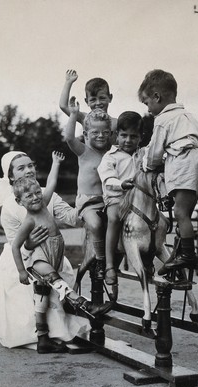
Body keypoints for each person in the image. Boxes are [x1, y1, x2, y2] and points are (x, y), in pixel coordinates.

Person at [0, 151, 97, 351]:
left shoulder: (43, 194)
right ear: (10, 176)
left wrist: (84, 207)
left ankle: (54, 332)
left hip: (52, 254)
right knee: (38, 292)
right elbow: (14, 243)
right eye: (21, 168)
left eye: (30, 165)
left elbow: (71, 217)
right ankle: (42, 333)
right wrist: (28, 245)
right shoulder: (11, 206)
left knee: (48, 291)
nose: (28, 170)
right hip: (26, 260)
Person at [11, 152, 110, 353]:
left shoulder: (45, 203)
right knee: (54, 279)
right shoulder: (29, 220)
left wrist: (56, 163)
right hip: (39, 258)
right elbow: (15, 246)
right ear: (19, 201)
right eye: (29, 196)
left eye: (37, 193)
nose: (35, 198)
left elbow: (52, 182)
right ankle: (84, 304)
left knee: (42, 296)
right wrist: (22, 271)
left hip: (54, 254)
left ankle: (43, 339)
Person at [138, 69, 198, 271]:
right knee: (186, 213)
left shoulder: (162, 120)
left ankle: (188, 256)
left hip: (185, 164)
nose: (148, 109)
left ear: (157, 97)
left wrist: (147, 165)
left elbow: (155, 152)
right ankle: (180, 251)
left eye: (147, 103)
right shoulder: (188, 115)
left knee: (180, 212)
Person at [64, 97, 112, 279]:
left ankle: (115, 258)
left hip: (106, 201)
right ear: (85, 133)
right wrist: (74, 114)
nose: (100, 136)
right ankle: (100, 260)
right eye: (95, 132)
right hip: (88, 202)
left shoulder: (110, 153)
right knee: (96, 224)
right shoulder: (84, 152)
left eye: (105, 132)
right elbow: (68, 137)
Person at [97, 111, 145, 285]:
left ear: (141, 137)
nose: (128, 140)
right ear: (117, 135)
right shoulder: (110, 157)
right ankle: (109, 265)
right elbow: (107, 178)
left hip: (138, 200)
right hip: (116, 197)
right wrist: (121, 184)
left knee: (154, 219)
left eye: (133, 136)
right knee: (115, 218)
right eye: (124, 135)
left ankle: (148, 258)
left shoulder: (143, 155)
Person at [59, 69, 117, 143]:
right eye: (93, 100)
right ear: (87, 101)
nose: (98, 103)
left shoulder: (116, 123)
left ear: (110, 98)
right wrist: (68, 82)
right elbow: (63, 106)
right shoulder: (85, 118)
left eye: (102, 98)